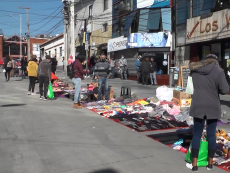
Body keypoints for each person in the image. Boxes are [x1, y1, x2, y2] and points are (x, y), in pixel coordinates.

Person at [186, 54, 229, 171]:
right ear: (216, 61)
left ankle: (194, 165)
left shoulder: (194, 70)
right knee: (211, 134)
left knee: (196, 134)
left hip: (198, 105)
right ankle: (209, 164)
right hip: (212, 105)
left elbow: (189, 89)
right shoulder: (219, 71)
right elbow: (225, 90)